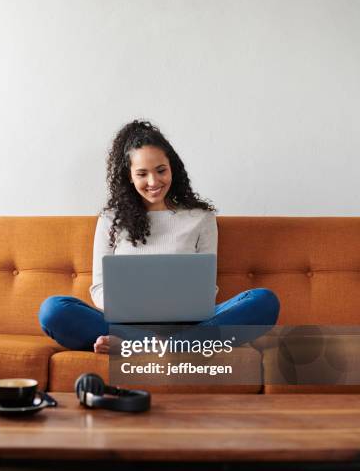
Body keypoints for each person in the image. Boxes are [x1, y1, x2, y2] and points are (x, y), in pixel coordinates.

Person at [38, 120, 280, 353]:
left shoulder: (200, 218)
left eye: (161, 170)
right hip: (124, 324)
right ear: (129, 176)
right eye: (142, 174)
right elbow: (99, 288)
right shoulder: (111, 219)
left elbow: (207, 289)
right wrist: (131, 310)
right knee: (54, 310)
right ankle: (174, 345)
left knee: (263, 301)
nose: (153, 181)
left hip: (188, 325)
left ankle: (144, 346)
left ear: (172, 167)